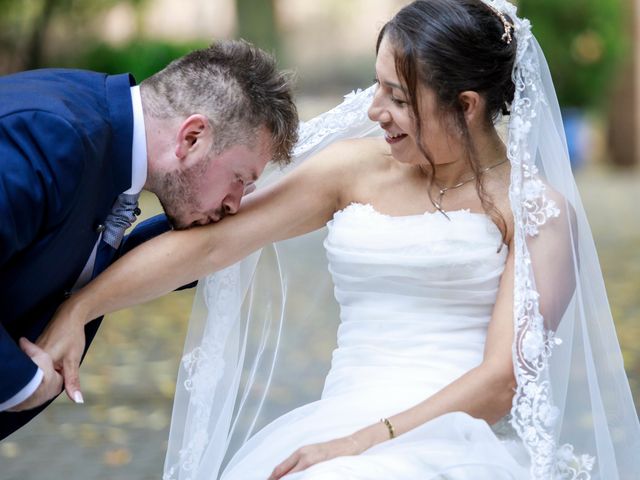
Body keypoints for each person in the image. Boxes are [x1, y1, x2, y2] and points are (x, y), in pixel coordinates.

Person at [37, 0, 640, 478]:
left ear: (467, 106)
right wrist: (80, 307)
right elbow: (208, 246)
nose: (375, 110)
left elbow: (502, 380)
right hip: (337, 422)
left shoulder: (537, 211)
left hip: (454, 440)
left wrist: (362, 444)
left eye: (399, 98)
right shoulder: (352, 170)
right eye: (377, 85)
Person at [0, 39, 298, 440]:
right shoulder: (52, 137)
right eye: (239, 180)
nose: (234, 204)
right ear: (192, 137)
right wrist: (24, 385)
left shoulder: (106, 145)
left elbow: (80, 247)